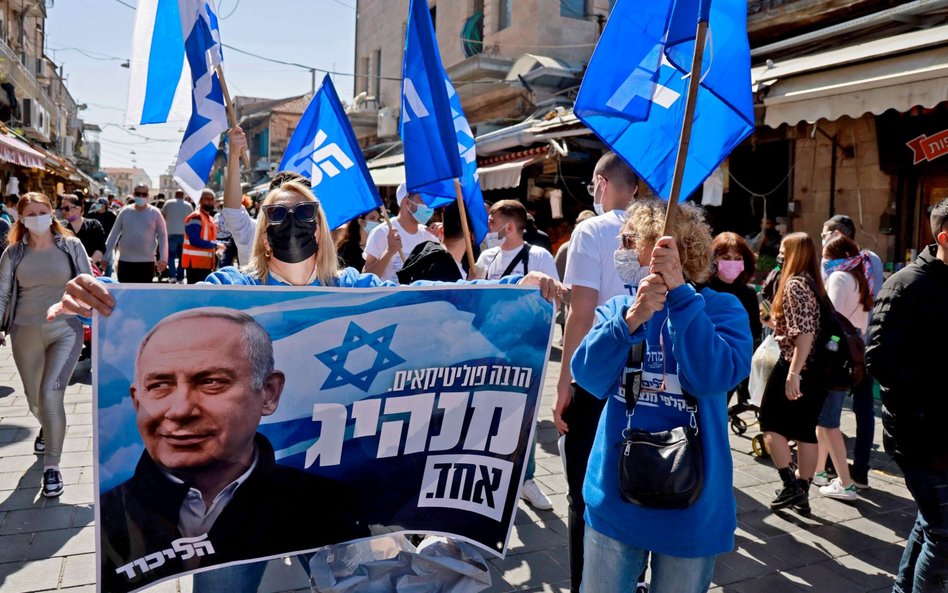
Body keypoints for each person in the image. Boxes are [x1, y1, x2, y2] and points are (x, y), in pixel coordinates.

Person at [53, 126, 563, 593]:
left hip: (328, 490)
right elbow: (155, 305)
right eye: (278, 215)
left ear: (321, 229)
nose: (291, 224)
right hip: (234, 509)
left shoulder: (354, 289)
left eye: (303, 215)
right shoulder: (233, 290)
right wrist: (96, 295)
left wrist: (511, 287)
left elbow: (429, 296)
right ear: (261, 229)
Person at [98, 308, 368, 593]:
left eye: (211, 382)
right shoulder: (110, 514)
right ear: (136, 401)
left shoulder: (329, 501)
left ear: (269, 392)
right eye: (160, 385)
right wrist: (90, 298)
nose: (180, 410)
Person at [571, 198, 752, 593]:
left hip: (693, 506)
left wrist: (683, 300)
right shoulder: (622, 307)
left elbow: (713, 376)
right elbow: (585, 374)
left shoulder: (723, 309)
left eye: (629, 241)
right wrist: (631, 319)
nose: (623, 250)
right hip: (615, 500)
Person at [555, 152, 640, 593]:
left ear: (603, 183)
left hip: (598, 378)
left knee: (584, 492)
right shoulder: (661, 232)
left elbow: (581, 314)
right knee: (639, 486)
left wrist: (564, 382)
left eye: (592, 186)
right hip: (651, 382)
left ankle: (585, 583)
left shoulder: (591, 230)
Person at [865, 198, 948, 593]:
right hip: (921, 433)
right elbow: (880, 361)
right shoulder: (905, 285)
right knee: (944, 537)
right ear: (945, 236)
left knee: (930, 522)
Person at [0, 192, 92, 498]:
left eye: (43, 211)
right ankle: (46, 427)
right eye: (31, 213)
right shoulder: (13, 253)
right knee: (34, 400)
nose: (37, 217)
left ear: (51, 214)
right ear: (22, 219)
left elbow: (88, 283)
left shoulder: (71, 246)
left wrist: (88, 312)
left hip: (66, 330)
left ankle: (52, 467)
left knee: (51, 395)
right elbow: (2, 294)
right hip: (24, 331)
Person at [475, 199, 559, 510]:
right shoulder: (485, 258)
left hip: (524, 349)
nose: (488, 228)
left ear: (509, 226)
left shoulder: (538, 257)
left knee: (525, 414)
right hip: (489, 347)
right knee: (487, 412)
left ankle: (527, 478)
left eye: (492, 222)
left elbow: (553, 302)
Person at [758, 232, 828, 513]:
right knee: (804, 429)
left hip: (797, 365)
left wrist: (793, 373)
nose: (780, 255)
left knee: (769, 421)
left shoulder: (795, 285)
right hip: (818, 368)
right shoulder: (813, 283)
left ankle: (790, 485)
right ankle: (802, 492)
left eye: (784, 250)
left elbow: (805, 333)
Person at [821, 213, 883, 488]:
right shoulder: (869, 264)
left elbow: (831, 318)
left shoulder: (839, 275)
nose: (821, 239)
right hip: (866, 345)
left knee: (829, 415)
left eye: (825, 234)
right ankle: (859, 471)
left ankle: (836, 474)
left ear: (837, 236)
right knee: (864, 409)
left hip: (843, 352)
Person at [812, 235, 872, 502]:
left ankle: (845, 483)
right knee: (825, 420)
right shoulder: (860, 278)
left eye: (826, 254)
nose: (823, 260)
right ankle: (819, 472)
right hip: (853, 354)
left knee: (828, 422)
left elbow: (831, 318)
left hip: (835, 357)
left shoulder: (839, 278)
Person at [705, 232, 761, 410]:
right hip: (703, 362)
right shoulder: (700, 289)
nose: (732, 263)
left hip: (731, 368)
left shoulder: (748, 294)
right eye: (726, 257)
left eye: (737, 258)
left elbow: (754, 332)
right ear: (714, 259)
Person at [362, 183, 438, 282]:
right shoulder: (382, 232)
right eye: (422, 199)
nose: (429, 205)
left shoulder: (430, 236)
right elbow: (366, 277)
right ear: (406, 202)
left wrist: (444, 241)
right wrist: (389, 252)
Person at [104, 184, 169, 283]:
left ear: (148, 196)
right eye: (138, 194)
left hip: (147, 263)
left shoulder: (155, 213)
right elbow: (114, 234)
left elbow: (163, 236)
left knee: (143, 296)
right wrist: (105, 256)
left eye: (144, 194)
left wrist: (163, 259)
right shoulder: (125, 211)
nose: (141, 197)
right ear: (134, 194)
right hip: (125, 262)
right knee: (125, 295)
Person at [181, 189, 221, 284]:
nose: (210, 201)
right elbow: (194, 240)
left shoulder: (210, 219)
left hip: (205, 264)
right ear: (200, 200)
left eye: (212, 199)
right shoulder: (195, 217)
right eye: (207, 198)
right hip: (195, 265)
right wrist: (215, 245)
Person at [60, 194, 106, 272]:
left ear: (78, 209)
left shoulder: (94, 225)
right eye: (62, 208)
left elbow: (100, 247)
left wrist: (89, 262)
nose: (63, 211)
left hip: (90, 271)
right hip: (66, 272)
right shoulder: (60, 227)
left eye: (67, 208)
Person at [162, 189, 194, 284]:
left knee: (171, 256)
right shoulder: (188, 205)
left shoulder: (168, 203)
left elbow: (162, 215)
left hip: (171, 233)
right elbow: (191, 220)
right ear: (183, 196)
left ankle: (172, 276)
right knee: (182, 257)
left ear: (175, 195)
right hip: (184, 234)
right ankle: (180, 277)